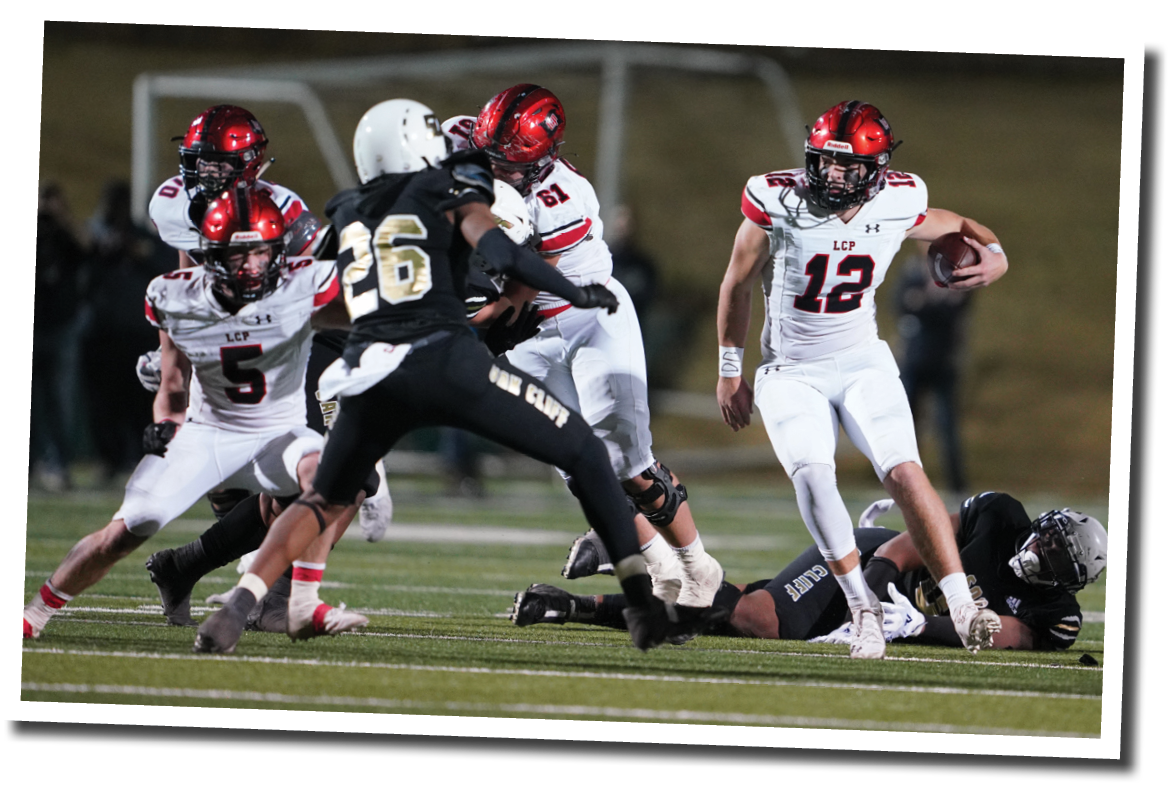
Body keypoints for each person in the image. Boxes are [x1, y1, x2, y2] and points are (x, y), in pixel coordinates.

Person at [192, 98, 719, 655]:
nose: (492, 169)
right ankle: (643, 601)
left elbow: (327, 294)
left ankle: (248, 601)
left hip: (380, 363)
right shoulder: (458, 200)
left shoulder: (348, 210)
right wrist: (540, 293)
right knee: (584, 455)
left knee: (323, 493)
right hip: (451, 355)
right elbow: (502, 256)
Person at [716, 100, 1010, 659]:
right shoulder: (776, 199)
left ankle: (965, 605)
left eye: (847, 167)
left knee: (904, 468)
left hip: (861, 360)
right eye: (824, 161)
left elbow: (960, 225)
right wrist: (731, 368)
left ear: (876, 170)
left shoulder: (900, 198)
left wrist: (994, 253)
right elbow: (736, 281)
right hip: (790, 369)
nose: (832, 175)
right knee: (812, 475)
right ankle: (862, 608)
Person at [23, 186, 369, 641]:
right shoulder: (175, 297)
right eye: (239, 254)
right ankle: (33, 615)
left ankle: (301, 604)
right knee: (126, 532)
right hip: (209, 433)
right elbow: (170, 387)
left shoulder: (302, 283)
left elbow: (375, 318)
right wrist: (166, 423)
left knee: (333, 476)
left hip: (280, 434)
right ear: (210, 253)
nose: (252, 266)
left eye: (263, 253)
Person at [445, 85, 723, 609]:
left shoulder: (563, 196)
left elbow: (521, 287)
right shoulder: (465, 142)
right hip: (528, 330)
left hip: (585, 317)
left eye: (509, 163)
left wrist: (472, 319)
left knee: (627, 460)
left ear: (543, 157)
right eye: (490, 157)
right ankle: (657, 565)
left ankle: (696, 564)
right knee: (575, 460)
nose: (496, 169)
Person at [142, 104, 394, 541]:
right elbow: (189, 268)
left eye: (219, 163)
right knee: (218, 474)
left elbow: (309, 292)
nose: (206, 173)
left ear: (248, 164)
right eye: (199, 161)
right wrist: (177, 345)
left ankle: (363, 453)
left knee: (300, 461)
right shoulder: (172, 201)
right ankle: (246, 567)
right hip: (233, 327)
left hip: (293, 330)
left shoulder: (284, 212)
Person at [512, 492, 1107, 652]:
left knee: (725, 613)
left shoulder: (1059, 619)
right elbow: (917, 537)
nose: (1039, 551)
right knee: (761, 619)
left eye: (1056, 559)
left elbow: (996, 633)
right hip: (875, 563)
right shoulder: (1001, 515)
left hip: (901, 615)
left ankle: (570, 605)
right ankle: (634, 536)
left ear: (1067, 582)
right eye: (1047, 538)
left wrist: (916, 628)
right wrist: (871, 590)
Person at [892, 247, 972, 495]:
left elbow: (952, 311)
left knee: (946, 425)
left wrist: (924, 303)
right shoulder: (913, 273)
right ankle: (904, 478)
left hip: (943, 360)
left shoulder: (956, 276)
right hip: (914, 360)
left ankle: (955, 482)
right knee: (907, 425)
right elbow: (900, 304)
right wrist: (932, 303)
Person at [32, 183, 89, 491]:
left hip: (59, 328)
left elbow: (87, 251)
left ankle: (58, 465)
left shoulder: (63, 233)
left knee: (58, 403)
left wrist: (63, 218)